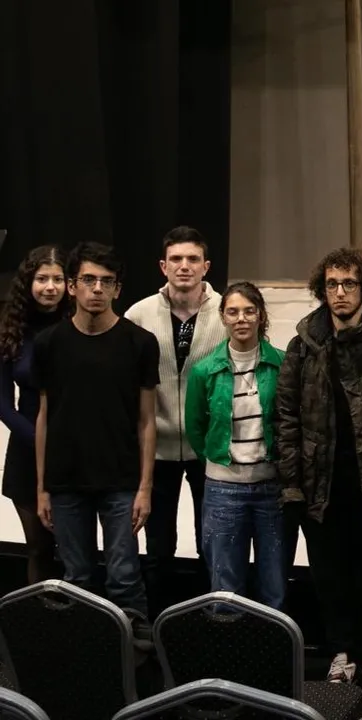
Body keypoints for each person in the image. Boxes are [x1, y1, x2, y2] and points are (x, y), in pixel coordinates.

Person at [276, 248, 362, 706]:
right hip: (320, 489)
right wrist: (292, 486)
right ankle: (341, 656)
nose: (340, 292)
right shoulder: (302, 347)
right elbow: (286, 420)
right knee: (330, 579)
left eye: (349, 284)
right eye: (332, 285)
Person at [33, 242, 158, 646]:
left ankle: (135, 659)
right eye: (88, 280)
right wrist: (42, 487)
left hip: (120, 481)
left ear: (118, 289)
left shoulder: (139, 343)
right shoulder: (49, 343)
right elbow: (45, 416)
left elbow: (146, 421)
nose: (97, 289)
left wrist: (144, 487)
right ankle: (83, 658)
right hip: (66, 481)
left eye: (107, 281)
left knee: (124, 577)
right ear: (72, 286)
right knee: (77, 578)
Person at [125, 226, 225, 612]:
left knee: (210, 541)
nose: (185, 266)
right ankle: (156, 620)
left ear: (206, 266)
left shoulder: (227, 312)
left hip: (208, 448)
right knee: (158, 545)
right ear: (163, 266)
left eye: (193, 259)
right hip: (157, 448)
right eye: (177, 259)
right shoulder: (138, 314)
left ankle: (208, 618)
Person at [185, 282, 287, 610]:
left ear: (261, 316)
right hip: (223, 490)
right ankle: (229, 641)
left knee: (274, 582)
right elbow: (195, 428)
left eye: (249, 311)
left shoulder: (283, 364)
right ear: (223, 317)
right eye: (233, 312)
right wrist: (217, 462)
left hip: (271, 489)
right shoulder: (204, 371)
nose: (241, 318)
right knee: (225, 586)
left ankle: (274, 642)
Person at [0, 245, 72, 583]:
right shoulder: (12, 330)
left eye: (58, 279)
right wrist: (40, 440)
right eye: (42, 279)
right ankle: (37, 614)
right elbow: (3, 403)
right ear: (28, 282)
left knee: (74, 549)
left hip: (75, 449)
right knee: (38, 549)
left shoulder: (79, 324)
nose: (50, 287)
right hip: (27, 450)